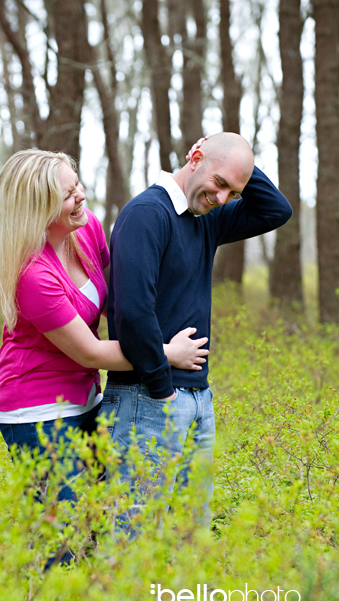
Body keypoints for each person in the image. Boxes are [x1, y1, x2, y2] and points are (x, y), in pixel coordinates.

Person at [0, 149, 208, 562]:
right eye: (68, 195)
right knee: (65, 534)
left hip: (86, 396)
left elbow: (117, 301)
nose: (81, 196)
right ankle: (47, 600)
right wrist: (165, 354)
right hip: (36, 409)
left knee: (98, 514)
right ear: (38, 208)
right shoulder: (33, 275)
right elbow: (90, 351)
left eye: (77, 185)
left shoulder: (86, 227)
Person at [102, 133, 292, 532]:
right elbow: (133, 313)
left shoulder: (206, 219)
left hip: (197, 401)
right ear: (196, 157)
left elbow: (276, 210)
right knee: (133, 541)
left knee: (190, 538)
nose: (221, 199)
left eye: (233, 193)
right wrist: (163, 390)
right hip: (145, 400)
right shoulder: (146, 214)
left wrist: (238, 166)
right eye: (220, 183)